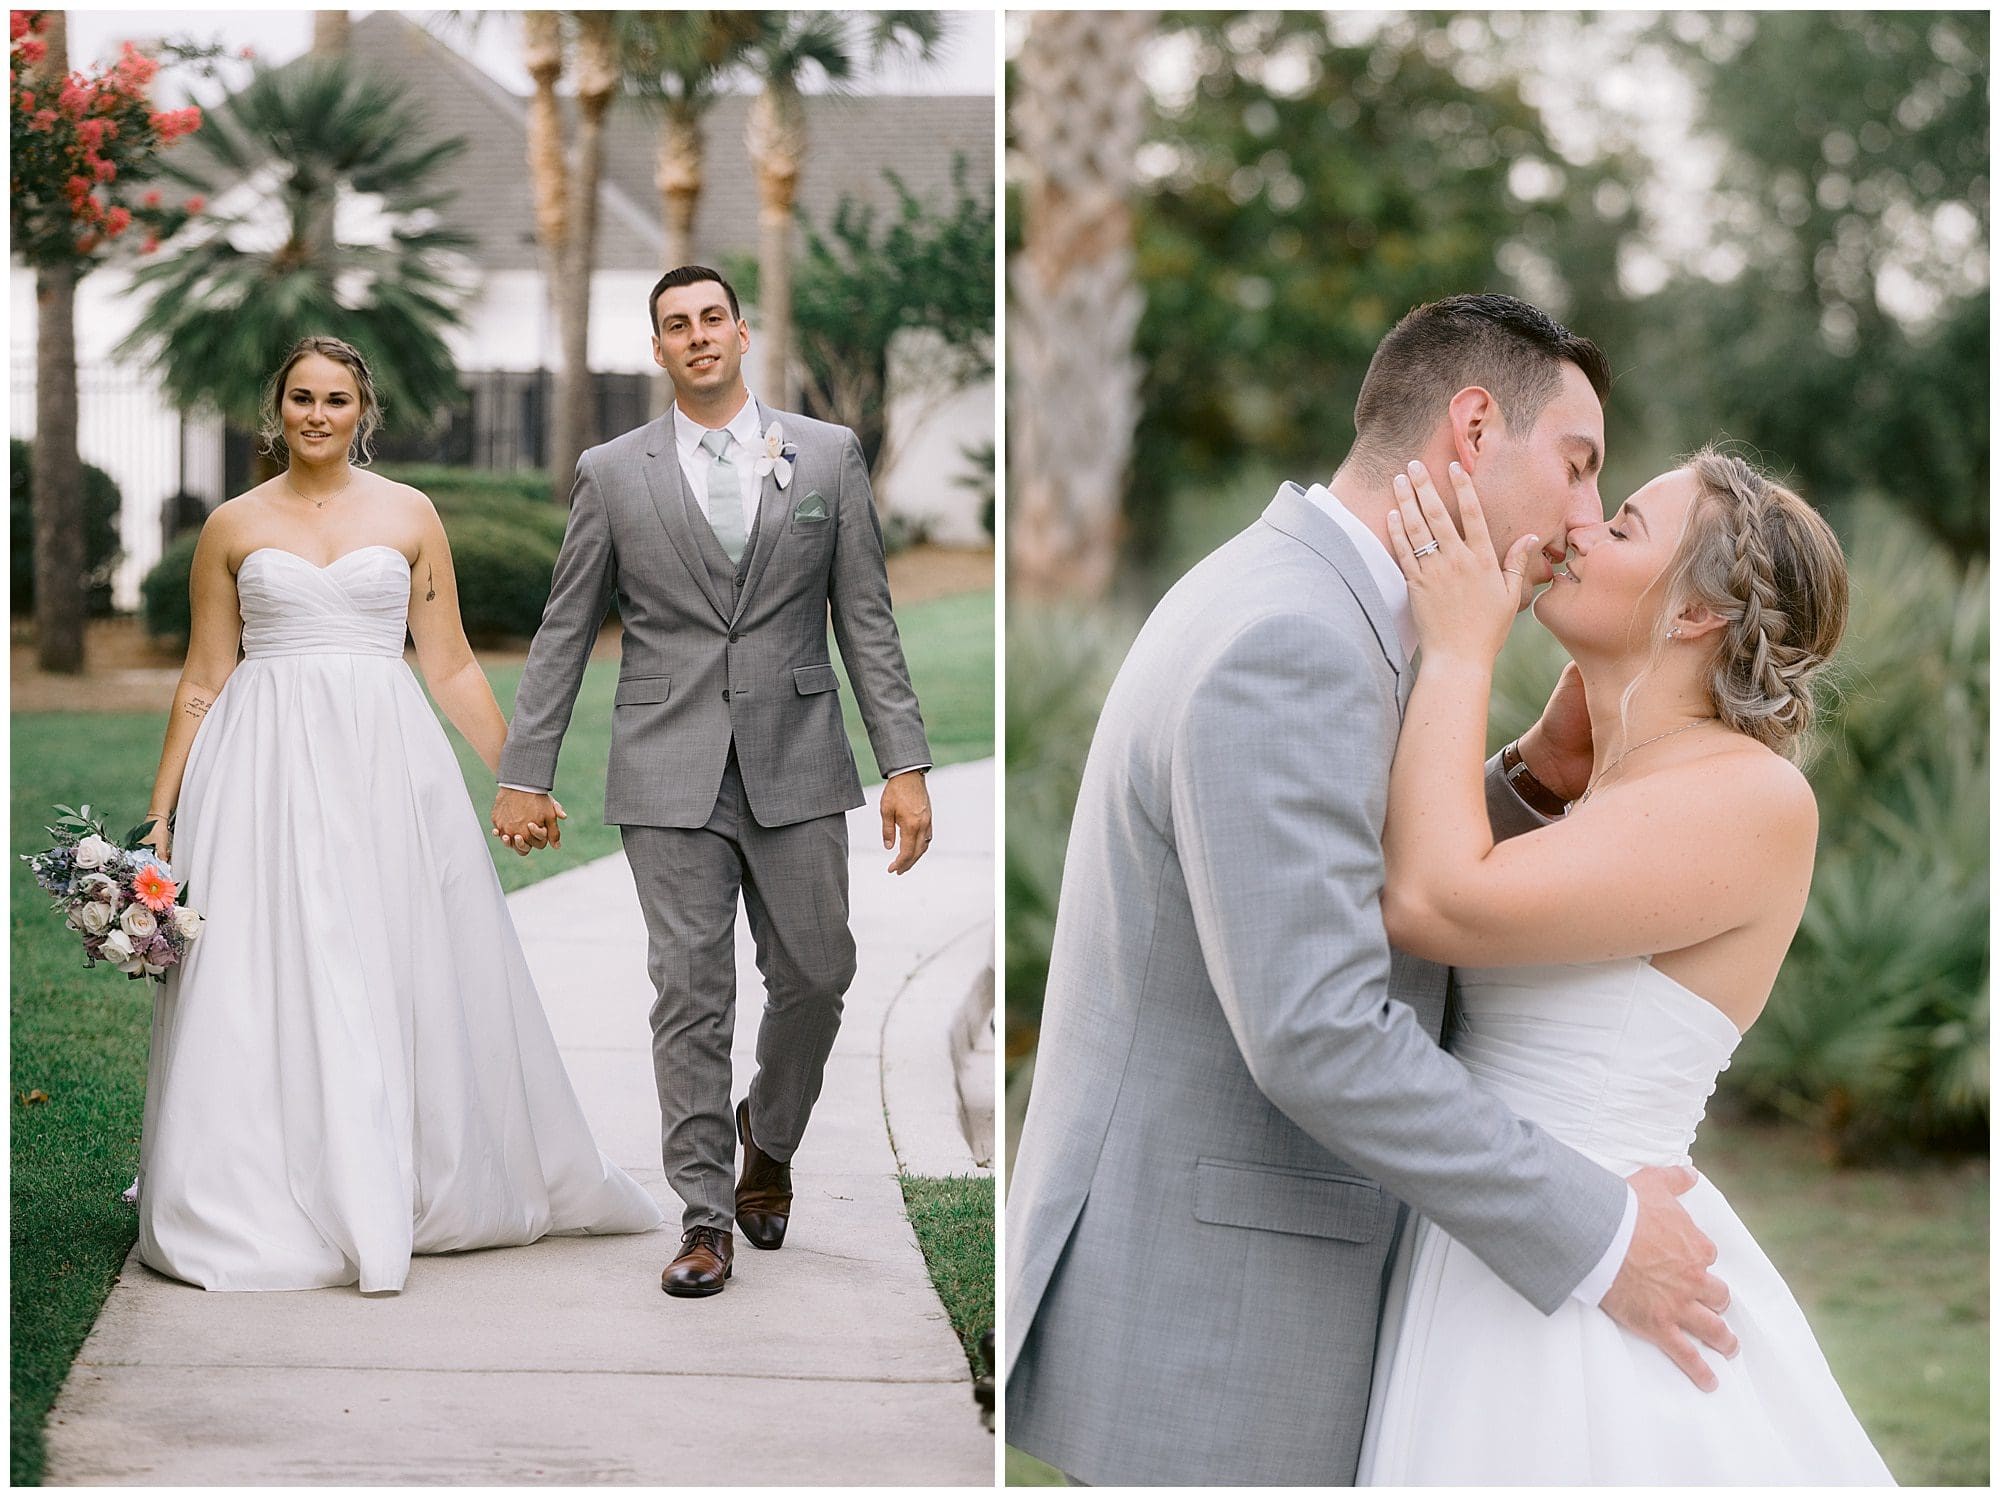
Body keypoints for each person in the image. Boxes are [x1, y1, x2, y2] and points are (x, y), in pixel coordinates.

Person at [1005, 295, 1733, 1484]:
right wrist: (1601, 1238)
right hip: (1217, 1331)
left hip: (1217, 1298)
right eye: (1575, 465)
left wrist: (1524, 785)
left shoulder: (1303, 601)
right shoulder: (1291, 644)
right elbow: (1318, 1030)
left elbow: (1344, 868)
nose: (1583, 517)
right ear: (1470, 427)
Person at [1356, 450, 1890, 1482]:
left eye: (1627, 526)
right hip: (1492, 1236)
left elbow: (1427, 901)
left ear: (1693, 616)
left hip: (1599, 1273)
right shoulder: (1605, 790)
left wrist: (1458, 650)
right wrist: (1532, 765)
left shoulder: (1748, 798)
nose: (1583, 528)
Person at [134, 336, 662, 1294]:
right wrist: (162, 812)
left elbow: (450, 661)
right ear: (277, 407)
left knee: (392, 952)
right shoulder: (232, 525)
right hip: (261, 768)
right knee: (271, 963)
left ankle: (402, 1168)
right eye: (301, 397)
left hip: (386, 761)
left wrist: (523, 775)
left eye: (337, 399)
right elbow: (205, 677)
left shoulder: (411, 514)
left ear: (362, 412)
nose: (318, 415)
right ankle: (264, 1179)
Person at [491, 266, 934, 1299]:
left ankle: (766, 1139)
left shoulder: (824, 455)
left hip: (797, 759)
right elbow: (564, 632)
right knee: (690, 995)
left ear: (742, 332)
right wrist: (526, 772)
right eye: (673, 327)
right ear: (657, 351)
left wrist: (902, 763)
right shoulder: (612, 471)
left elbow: (863, 616)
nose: (695, 338)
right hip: (664, 766)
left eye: (709, 320)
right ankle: (703, 1221)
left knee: (818, 973)